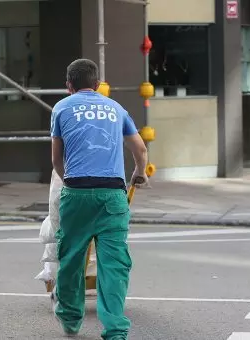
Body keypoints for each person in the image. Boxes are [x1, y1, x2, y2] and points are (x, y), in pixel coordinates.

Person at [50, 58, 149, 340]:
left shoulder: (61, 108)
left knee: (70, 258)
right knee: (114, 263)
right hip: (112, 196)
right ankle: (115, 330)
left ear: (69, 86)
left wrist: (69, 180)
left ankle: (70, 319)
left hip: (76, 193)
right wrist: (138, 175)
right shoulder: (116, 108)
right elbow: (140, 150)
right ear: (97, 85)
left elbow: (57, 159)